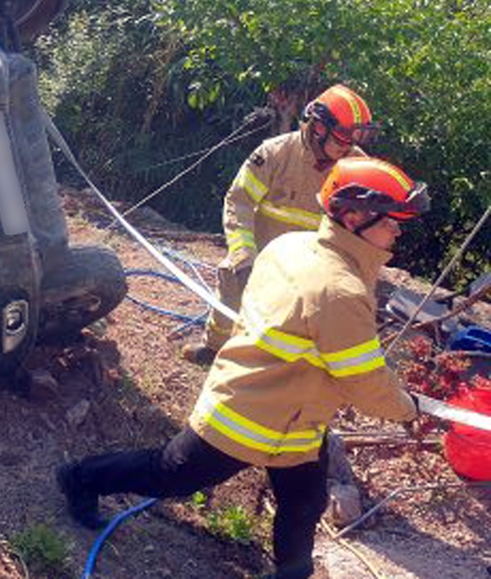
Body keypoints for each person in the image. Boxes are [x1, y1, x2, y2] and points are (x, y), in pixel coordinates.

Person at [58, 157, 429, 579]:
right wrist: (409, 408)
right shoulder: (339, 290)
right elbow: (365, 383)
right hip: (247, 414)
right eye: (392, 220)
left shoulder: (292, 246)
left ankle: (293, 573)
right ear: (354, 216)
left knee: (304, 502)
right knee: (172, 475)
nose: (399, 230)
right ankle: (79, 478)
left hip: (295, 423)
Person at [183, 84, 377, 365]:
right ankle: (215, 347)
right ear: (319, 128)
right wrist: (243, 253)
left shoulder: (358, 167)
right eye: (341, 139)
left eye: (352, 140)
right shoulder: (275, 154)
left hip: (317, 262)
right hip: (263, 254)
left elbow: (366, 227)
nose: (347, 147)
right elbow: (240, 201)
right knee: (232, 277)